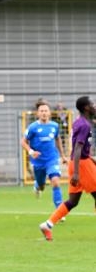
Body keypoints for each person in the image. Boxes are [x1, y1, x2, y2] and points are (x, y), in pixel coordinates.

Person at [39, 96, 96, 241]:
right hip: (81, 165)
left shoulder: (79, 122)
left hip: (77, 163)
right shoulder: (84, 125)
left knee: (73, 201)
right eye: (92, 104)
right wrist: (77, 172)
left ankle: (48, 224)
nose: (94, 106)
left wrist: (89, 159)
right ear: (86, 108)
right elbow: (78, 148)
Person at [21, 101, 68, 208]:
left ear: (49, 113)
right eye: (41, 111)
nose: (44, 113)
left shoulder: (54, 126)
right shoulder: (33, 127)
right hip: (38, 161)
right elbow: (23, 141)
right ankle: (37, 185)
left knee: (55, 181)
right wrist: (31, 152)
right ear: (37, 113)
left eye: (46, 111)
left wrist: (63, 156)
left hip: (52, 159)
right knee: (42, 186)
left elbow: (57, 139)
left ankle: (59, 210)